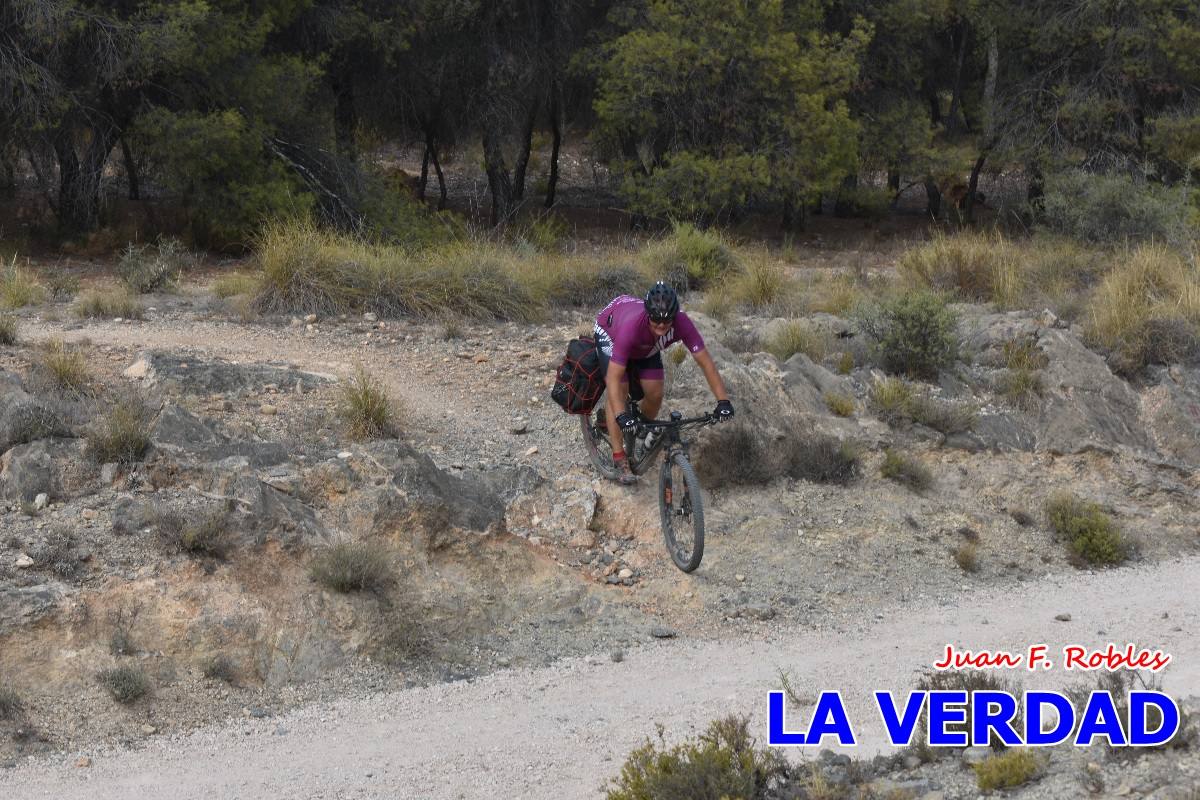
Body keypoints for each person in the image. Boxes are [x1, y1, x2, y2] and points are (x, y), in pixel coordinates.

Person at [593, 281, 733, 484]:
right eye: (655, 321)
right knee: (619, 395)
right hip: (611, 331)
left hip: (645, 345)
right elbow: (613, 378)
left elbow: (706, 363)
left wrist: (723, 401)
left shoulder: (681, 323)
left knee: (655, 393)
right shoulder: (633, 327)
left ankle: (640, 428)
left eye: (666, 322)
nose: (660, 325)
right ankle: (619, 458)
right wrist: (621, 415)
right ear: (648, 314)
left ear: (674, 317)